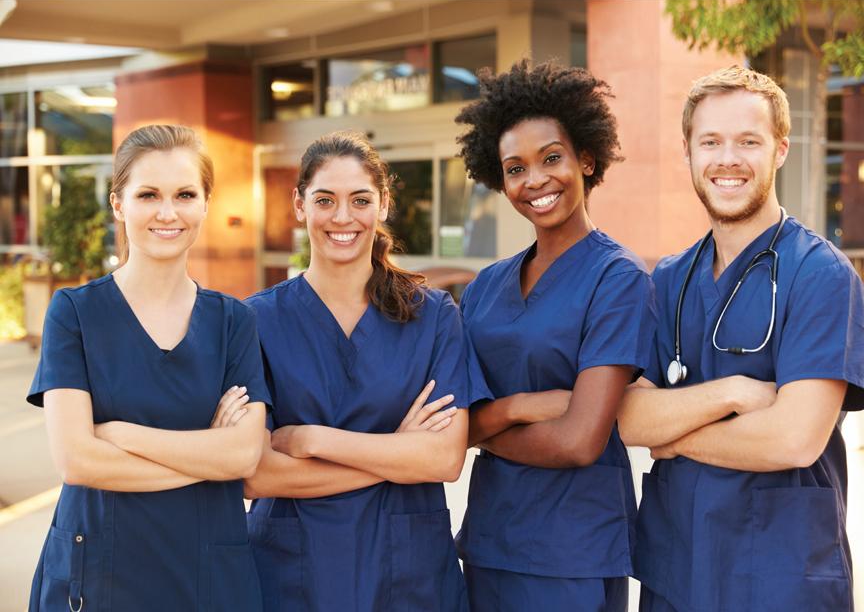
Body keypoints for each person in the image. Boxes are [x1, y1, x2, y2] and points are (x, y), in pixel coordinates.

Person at [618, 65, 864, 612]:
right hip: (676, 572)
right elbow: (630, 418)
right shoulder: (669, 280)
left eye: (748, 141)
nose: (727, 159)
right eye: (710, 141)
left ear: (779, 149)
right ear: (688, 153)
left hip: (780, 576)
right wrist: (731, 392)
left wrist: (676, 437)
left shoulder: (819, 275)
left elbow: (792, 439)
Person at [27, 124, 269, 612]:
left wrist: (119, 434)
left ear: (205, 203)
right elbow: (78, 461)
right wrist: (207, 459)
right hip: (99, 572)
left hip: (206, 574)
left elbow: (244, 458)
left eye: (184, 194)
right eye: (148, 194)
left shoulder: (232, 321)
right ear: (119, 203)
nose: (167, 212)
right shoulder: (74, 312)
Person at [243, 131, 483, 611]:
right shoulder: (254, 321)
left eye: (360, 200)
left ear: (384, 204)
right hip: (292, 575)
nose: (342, 217)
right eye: (325, 200)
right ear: (299, 205)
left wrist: (314, 440)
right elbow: (256, 475)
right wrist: (398, 452)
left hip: (407, 574)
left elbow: (444, 460)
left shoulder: (433, 315)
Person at [452, 60, 657, 611]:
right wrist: (523, 405)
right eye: (514, 168)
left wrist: (483, 430)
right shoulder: (487, 287)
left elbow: (578, 441)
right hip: (490, 543)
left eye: (551, 158)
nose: (535, 180)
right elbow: (457, 425)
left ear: (585, 159)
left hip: (573, 554)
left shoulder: (618, 279)